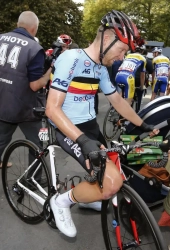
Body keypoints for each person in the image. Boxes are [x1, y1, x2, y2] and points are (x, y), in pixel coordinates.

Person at [46, 10, 157, 238]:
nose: (122, 57)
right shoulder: (72, 58)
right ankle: (61, 201)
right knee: (111, 182)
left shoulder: (100, 67)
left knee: (111, 175)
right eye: (122, 49)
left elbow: (116, 100)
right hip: (69, 128)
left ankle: (87, 199)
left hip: (90, 127)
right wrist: (82, 140)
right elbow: (52, 109)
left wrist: (143, 124)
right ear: (107, 38)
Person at [0, 11, 52, 173]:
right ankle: (34, 180)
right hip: (24, 107)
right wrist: (48, 74)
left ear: (19, 24)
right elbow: (34, 85)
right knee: (36, 143)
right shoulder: (34, 48)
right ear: (34, 28)